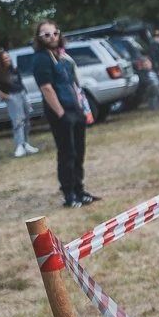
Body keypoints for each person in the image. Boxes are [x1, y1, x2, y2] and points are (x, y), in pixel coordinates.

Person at [32, 21, 97, 207]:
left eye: (54, 33)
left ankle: (79, 189)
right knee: (67, 152)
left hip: (75, 109)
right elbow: (46, 88)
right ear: (39, 38)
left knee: (79, 151)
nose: (51, 37)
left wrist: (82, 109)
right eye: (46, 34)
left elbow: (75, 84)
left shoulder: (63, 56)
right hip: (61, 113)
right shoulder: (41, 59)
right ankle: (69, 194)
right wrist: (61, 113)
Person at [0, 48, 39, 157]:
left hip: (21, 94)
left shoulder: (14, 69)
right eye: (5, 58)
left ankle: (25, 143)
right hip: (12, 97)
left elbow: (21, 83)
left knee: (26, 119)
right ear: (1, 60)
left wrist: (27, 99)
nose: (8, 59)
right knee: (18, 121)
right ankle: (19, 146)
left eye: (8, 57)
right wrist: (7, 97)